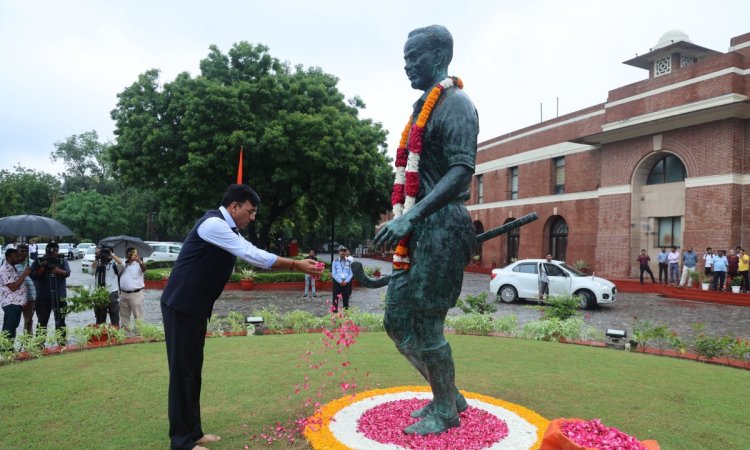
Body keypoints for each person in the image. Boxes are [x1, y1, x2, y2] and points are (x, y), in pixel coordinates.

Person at [372, 25, 479, 435]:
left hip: (442, 228)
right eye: (404, 57)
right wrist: (407, 219)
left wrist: (409, 217)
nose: (407, 65)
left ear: (439, 56)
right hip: (418, 231)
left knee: (427, 322)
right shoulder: (422, 109)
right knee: (397, 321)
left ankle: (446, 410)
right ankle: (447, 394)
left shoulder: (455, 104)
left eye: (414, 56)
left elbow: (461, 172)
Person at [160, 184, 321, 450]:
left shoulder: (226, 228)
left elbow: (247, 252)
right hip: (181, 305)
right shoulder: (213, 224)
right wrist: (294, 264)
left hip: (195, 307)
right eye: (251, 210)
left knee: (192, 371)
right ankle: (181, 442)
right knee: (182, 373)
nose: (253, 217)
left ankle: (194, 432)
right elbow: (251, 254)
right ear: (234, 206)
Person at [30, 242, 71, 338]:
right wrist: (43, 267)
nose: (54, 253)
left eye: (56, 251)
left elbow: (67, 273)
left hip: (60, 295)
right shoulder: (39, 261)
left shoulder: (61, 260)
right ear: (46, 251)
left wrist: (58, 271)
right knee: (42, 321)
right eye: (51, 251)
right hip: (43, 296)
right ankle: (39, 344)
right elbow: (33, 275)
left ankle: (61, 342)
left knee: (61, 321)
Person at [1, 248, 32, 349]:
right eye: (16, 255)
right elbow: (13, 287)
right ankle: (4, 349)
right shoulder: (4, 269)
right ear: (9, 257)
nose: (18, 257)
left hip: (17, 303)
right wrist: (24, 274)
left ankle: (9, 348)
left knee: (13, 327)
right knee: (8, 328)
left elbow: (20, 260)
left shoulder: (12, 267)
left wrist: (24, 257)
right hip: (11, 303)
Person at [90, 246, 123, 326]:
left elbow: (121, 264)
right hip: (99, 293)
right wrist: (97, 258)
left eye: (107, 253)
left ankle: (115, 334)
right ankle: (101, 335)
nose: (106, 255)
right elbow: (91, 271)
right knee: (100, 317)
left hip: (112, 293)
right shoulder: (98, 264)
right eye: (104, 253)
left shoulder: (114, 265)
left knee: (114, 315)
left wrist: (112, 255)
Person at [119, 247, 146, 331]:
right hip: (123, 294)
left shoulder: (139, 264)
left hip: (136, 294)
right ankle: (125, 333)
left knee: (138, 315)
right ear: (126, 255)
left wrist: (140, 261)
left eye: (133, 253)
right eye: (129, 253)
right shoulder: (124, 264)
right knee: (124, 315)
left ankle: (139, 333)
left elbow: (144, 269)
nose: (131, 255)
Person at [15, 244, 37, 335]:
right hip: (15, 297)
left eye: (26, 251)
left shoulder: (32, 263)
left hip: (30, 296)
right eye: (21, 251)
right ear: (17, 252)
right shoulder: (13, 264)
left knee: (28, 321)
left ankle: (27, 342)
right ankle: (10, 343)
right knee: (13, 321)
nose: (24, 253)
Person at [332, 246, 353, 312]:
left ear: (346, 252)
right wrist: (339, 281)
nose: (343, 252)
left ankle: (346, 316)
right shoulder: (335, 262)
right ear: (339, 252)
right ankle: (334, 316)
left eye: (344, 251)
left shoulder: (349, 262)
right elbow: (334, 273)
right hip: (337, 283)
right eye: (341, 251)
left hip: (346, 283)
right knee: (335, 300)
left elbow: (351, 273)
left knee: (346, 301)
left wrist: (346, 281)